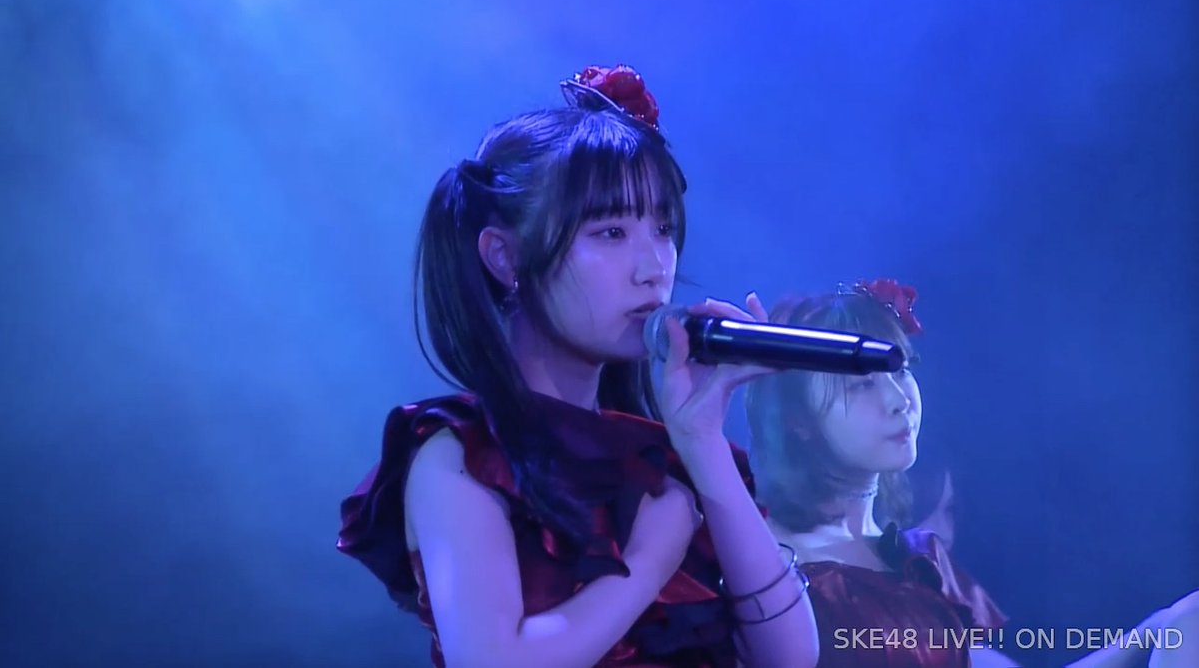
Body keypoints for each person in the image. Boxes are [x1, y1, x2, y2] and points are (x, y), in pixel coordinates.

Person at [336, 64, 819, 667]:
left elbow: (790, 657)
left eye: (662, 228)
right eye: (611, 232)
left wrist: (704, 445)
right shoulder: (462, 455)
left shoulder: (665, 458)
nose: (653, 267)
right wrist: (644, 566)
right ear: (505, 257)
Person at [744, 279, 1198, 668]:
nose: (898, 400)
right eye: (862, 384)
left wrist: (1163, 627)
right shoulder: (769, 561)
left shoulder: (919, 561)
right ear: (797, 418)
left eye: (900, 370)